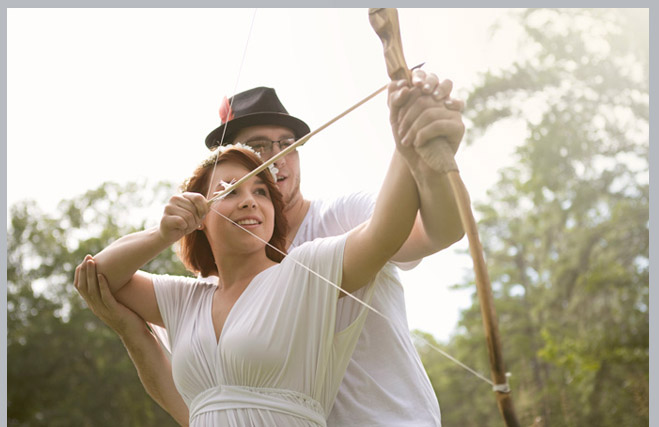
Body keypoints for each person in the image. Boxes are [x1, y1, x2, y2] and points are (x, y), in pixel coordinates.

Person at [76, 70, 465, 426]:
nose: (272, 159)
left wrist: (417, 147)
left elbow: (433, 231)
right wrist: (164, 234)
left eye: (285, 145)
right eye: (256, 146)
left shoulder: (336, 225)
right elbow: (195, 397)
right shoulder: (206, 291)